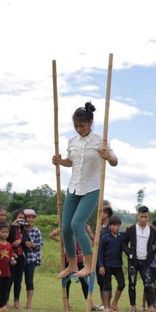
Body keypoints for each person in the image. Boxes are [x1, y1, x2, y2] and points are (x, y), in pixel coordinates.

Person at [53, 102, 118, 279]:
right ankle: (72, 264)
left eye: (81, 126)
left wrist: (108, 156)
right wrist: (60, 161)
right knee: (66, 228)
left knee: (77, 224)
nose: (78, 129)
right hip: (73, 188)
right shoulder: (72, 141)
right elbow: (71, 162)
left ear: (90, 122)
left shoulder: (100, 140)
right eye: (75, 126)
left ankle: (89, 265)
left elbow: (114, 161)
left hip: (92, 188)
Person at [121, 206, 154, 312]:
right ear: (137, 216)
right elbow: (123, 243)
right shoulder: (131, 229)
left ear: (148, 217)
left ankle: (151, 306)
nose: (143, 219)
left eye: (146, 217)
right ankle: (133, 306)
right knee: (132, 283)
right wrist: (129, 252)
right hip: (133, 261)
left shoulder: (152, 230)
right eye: (141, 216)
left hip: (146, 261)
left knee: (149, 283)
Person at [98, 216, 124, 312]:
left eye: (118, 225)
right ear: (110, 226)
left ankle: (114, 303)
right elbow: (101, 252)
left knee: (122, 284)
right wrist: (101, 266)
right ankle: (106, 306)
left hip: (118, 265)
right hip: (107, 265)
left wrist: (130, 227)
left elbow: (131, 235)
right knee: (107, 286)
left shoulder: (122, 237)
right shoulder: (105, 237)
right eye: (114, 225)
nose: (116, 227)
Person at [0, 222, 16, 311]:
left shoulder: (9, 244)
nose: (5, 234)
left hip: (7, 270)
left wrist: (13, 260)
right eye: (3, 232)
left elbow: (11, 256)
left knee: (5, 288)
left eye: (7, 232)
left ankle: (3, 304)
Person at [21, 209, 42, 311]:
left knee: (29, 281)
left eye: (32, 217)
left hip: (31, 259)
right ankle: (15, 302)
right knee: (16, 280)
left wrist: (32, 245)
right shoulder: (19, 229)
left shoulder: (36, 231)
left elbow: (40, 245)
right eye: (28, 217)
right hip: (20, 258)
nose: (30, 219)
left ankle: (29, 303)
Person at [8, 209, 26, 309]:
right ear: (15, 218)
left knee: (18, 280)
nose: (21, 220)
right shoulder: (10, 228)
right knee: (9, 279)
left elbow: (26, 242)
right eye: (19, 218)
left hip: (20, 256)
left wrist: (21, 240)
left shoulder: (23, 230)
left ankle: (16, 302)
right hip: (10, 256)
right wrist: (12, 226)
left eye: (23, 218)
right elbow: (9, 240)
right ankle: (5, 301)